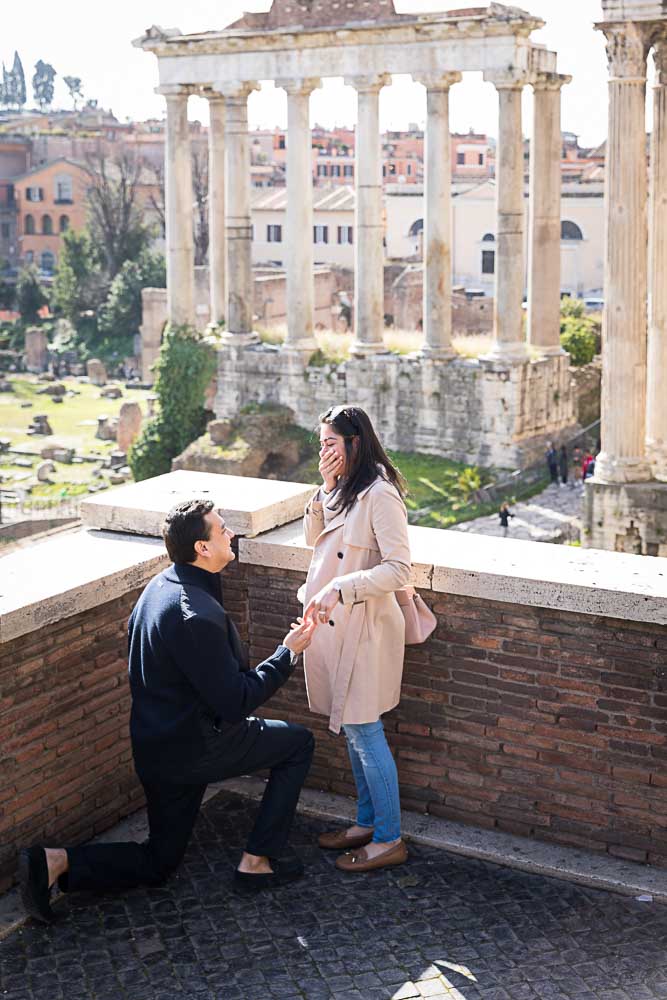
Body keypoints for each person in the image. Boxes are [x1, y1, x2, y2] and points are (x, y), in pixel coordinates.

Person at [19, 498, 317, 924]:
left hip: (155, 746)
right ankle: (257, 861)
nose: (230, 533)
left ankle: (54, 862)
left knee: (160, 862)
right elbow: (234, 701)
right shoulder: (195, 615)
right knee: (298, 744)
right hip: (196, 749)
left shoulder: (160, 586)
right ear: (202, 548)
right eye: (221, 529)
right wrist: (287, 654)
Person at [301, 404, 412, 873]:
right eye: (320, 444)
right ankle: (366, 821)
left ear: (355, 442)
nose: (324, 452)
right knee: (352, 730)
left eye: (331, 443)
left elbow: (399, 568)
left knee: (366, 731)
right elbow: (313, 542)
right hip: (335, 627)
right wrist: (325, 488)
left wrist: (343, 587)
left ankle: (389, 838)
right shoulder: (341, 489)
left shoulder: (380, 494)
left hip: (365, 630)